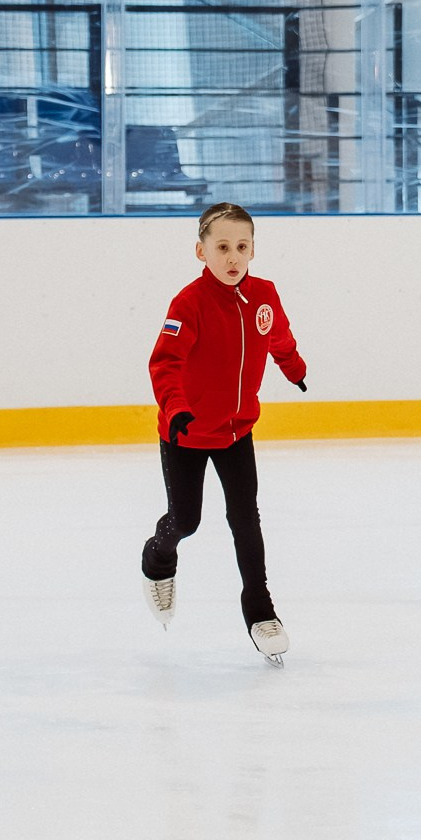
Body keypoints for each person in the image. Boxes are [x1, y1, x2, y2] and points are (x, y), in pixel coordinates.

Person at [140, 202, 308, 664]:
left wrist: (293, 368)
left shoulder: (264, 295)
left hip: (237, 431)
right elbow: (165, 363)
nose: (233, 258)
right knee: (184, 521)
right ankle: (158, 559)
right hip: (186, 432)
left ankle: (260, 610)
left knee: (245, 519)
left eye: (242, 247)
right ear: (201, 251)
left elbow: (279, 337)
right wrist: (175, 409)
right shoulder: (188, 303)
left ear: (253, 249)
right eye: (222, 247)